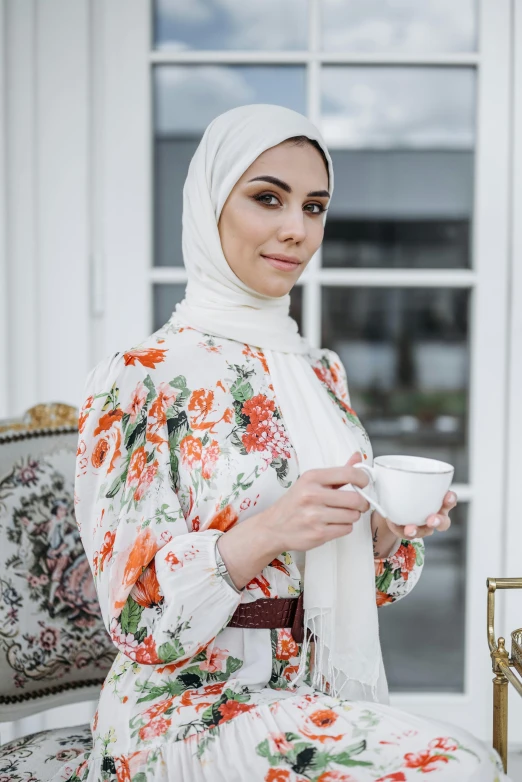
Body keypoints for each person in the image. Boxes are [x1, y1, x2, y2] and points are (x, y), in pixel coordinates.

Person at [62, 104, 508, 781]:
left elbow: (356, 583)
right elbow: (137, 620)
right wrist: (270, 529)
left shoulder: (319, 371)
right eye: (267, 197)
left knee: (473, 759)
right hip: (185, 706)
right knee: (457, 767)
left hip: (309, 689)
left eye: (315, 206)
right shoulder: (138, 378)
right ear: (210, 203)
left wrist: (383, 534)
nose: (296, 229)